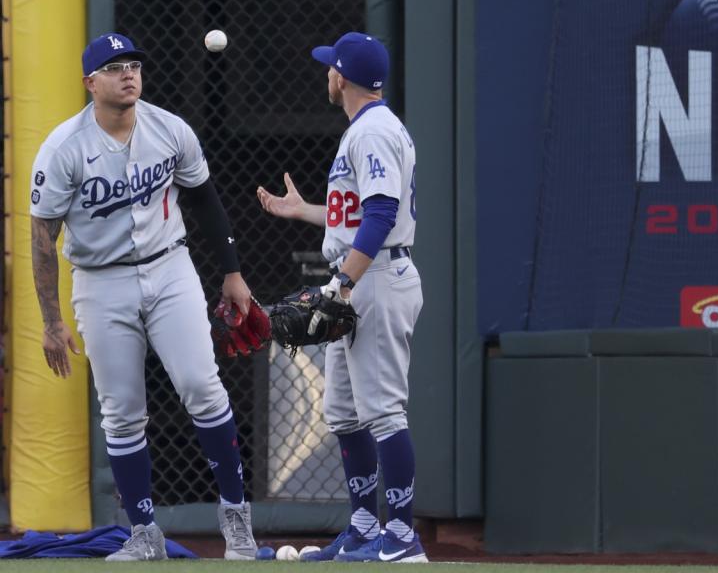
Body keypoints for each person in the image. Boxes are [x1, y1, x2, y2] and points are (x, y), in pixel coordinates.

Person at [30, 33, 258, 561]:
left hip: (169, 266)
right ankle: (144, 534)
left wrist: (232, 272)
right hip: (100, 280)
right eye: (113, 68)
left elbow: (202, 197)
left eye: (132, 65)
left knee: (203, 386)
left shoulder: (169, 129)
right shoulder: (64, 149)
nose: (128, 74)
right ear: (90, 83)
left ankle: (238, 523)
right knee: (123, 413)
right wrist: (49, 319)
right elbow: (42, 238)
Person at [256, 31, 425, 563]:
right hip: (365, 274)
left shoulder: (372, 131)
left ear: (342, 77)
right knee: (345, 413)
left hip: (373, 279)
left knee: (384, 412)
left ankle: (400, 538)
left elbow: (379, 216)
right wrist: (305, 211)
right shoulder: (370, 128)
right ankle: (362, 528)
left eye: (331, 66)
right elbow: (361, 214)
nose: (326, 72)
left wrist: (343, 285)